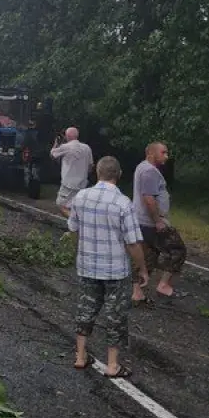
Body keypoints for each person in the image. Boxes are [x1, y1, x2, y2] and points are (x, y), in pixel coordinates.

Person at [66, 156, 149, 378]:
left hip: (87, 265)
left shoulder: (81, 197)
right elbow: (133, 242)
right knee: (115, 316)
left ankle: (80, 356)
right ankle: (112, 365)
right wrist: (142, 269)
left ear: (97, 173)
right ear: (119, 175)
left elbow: (73, 227)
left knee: (85, 310)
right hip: (115, 270)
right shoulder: (123, 203)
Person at [131, 141, 187, 303]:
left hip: (141, 221)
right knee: (178, 250)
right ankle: (163, 285)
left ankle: (137, 292)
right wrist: (158, 221)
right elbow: (149, 199)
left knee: (149, 255)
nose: (167, 156)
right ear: (151, 153)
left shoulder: (142, 167)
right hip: (151, 222)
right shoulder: (149, 172)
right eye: (163, 152)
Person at [51, 127, 94, 217]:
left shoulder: (65, 147)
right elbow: (90, 167)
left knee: (61, 204)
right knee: (76, 206)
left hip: (68, 183)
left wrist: (56, 143)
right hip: (83, 183)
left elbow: (52, 154)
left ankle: (76, 222)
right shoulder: (87, 148)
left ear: (67, 136)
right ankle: (72, 228)